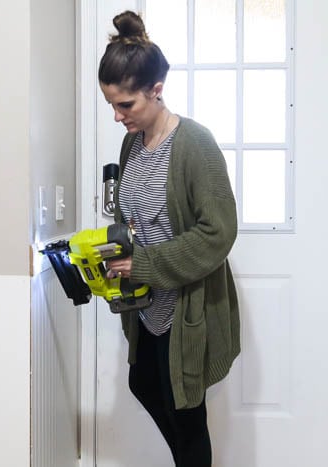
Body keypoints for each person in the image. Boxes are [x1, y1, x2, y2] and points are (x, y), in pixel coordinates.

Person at [98, 10, 240, 467]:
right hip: (146, 305)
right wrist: (117, 249)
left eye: (126, 105)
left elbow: (218, 232)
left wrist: (145, 264)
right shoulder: (132, 144)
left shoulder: (195, 144)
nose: (119, 117)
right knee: (145, 385)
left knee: (187, 413)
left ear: (155, 91)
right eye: (112, 106)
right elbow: (135, 214)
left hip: (185, 305)